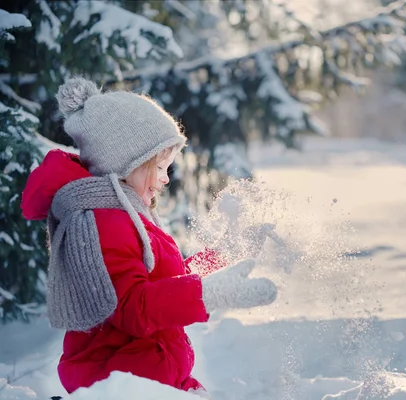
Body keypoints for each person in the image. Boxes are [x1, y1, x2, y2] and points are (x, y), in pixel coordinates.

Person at [20, 77, 277, 395]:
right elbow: (132, 307)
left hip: (147, 378)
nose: (166, 178)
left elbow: (167, 281)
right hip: (119, 385)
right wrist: (208, 294)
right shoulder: (100, 223)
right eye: (160, 165)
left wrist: (226, 253)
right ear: (127, 163)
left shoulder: (124, 216)